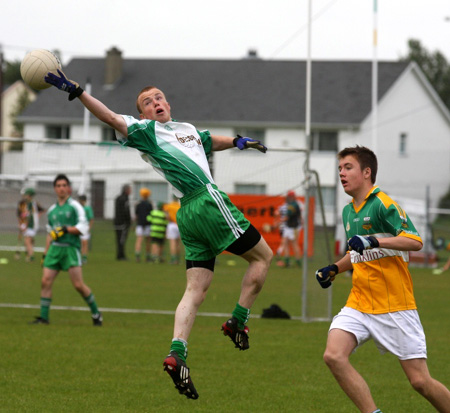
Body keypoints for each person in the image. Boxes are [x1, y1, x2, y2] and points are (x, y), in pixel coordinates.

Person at [44, 70, 273, 400]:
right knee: (264, 256)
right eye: (147, 102)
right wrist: (78, 91)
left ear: (168, 103)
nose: (155, 102)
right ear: (142, 114)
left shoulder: (188, 130)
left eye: (158, 97)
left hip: (188, 215)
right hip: (205, 199)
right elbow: (108, 115)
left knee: (196, 287)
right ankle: (237, 321)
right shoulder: (145, 131)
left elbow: (209, 141)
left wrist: (238, 141)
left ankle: (177, 353)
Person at [315, 146, 450, 413]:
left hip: (395, 306)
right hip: (360, 303)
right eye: (340, 168)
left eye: (348, 167)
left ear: (367, 172)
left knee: (420, 381)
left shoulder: (382, 204)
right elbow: (358, 253)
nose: (341, 173)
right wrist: (334, 268)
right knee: (333, 356)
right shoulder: (348, 211)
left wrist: (374, 239)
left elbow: (415, 241)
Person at [30, 174, 102, 326]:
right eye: (58, 186)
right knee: (45, 281)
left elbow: (83, 228)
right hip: (55, 250)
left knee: (78, 285)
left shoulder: (76, 207)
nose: (61, 188)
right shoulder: (52, 210)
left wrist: (66, 229)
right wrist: (45, 253)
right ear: (55, 189)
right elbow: (51, 234)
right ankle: (44, 318)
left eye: (64, 185)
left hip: (70, 249)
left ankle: (96, 313)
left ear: (68, 188)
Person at [16, 188, 45, 262]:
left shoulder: (29, 204)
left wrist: (24, 225)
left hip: (30, 225)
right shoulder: (34, 203)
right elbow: (42, 210)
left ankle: (31, 256)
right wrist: (37, 216)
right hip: (35, 225)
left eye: (25, 195)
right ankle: (29, 254)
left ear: (28, 195)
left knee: (27, 240)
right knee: (30, 240)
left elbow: (27, 216)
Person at [279, 190, 302, 268]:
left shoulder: (293, 205)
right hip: (290, 227)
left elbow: (287, 217)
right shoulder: (293, 204)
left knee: (294, 244)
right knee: (285, 243)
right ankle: (288, 261)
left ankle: (297, 261)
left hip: (293, 228)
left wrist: (279, 222)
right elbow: (299, 216)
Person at [134, 188, 153, 262]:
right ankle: (147, 256)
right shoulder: (149, 204)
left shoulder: (138, 204)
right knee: (148, 241)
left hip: (140, 224)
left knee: (139, 240)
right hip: (148, 224)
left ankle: (137, 256)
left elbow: (136, 215)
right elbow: (151, 214)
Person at [114, 184, 132, 261]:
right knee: (122, 239)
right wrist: (128, 221)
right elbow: (126, 211)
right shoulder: (125, 199)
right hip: (123, 223)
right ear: (126, 190)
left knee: (119, 239)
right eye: (130, 190)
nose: (131, 191)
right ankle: (121, 255)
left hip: (116, 222)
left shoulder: (117, 198)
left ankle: (119, 255)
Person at [163, 196, 181, 264]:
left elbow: (165, 213)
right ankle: (178, 259)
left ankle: (173, 259)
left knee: (172, 243)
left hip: (171, 224)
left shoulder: (169, 206)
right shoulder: (179, 206)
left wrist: (168, 218)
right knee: (178, 243)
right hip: (178, 225)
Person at [78, 194, 94, 264]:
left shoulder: (87, 208)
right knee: (78, 243)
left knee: (84, 242)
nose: (81, 202)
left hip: (85, 227)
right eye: (80, 200)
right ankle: (78, 257)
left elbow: (91, 219)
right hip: (78, 226)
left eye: (82, 201)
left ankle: (84, 257)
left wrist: (89, 228)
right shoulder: (77, 208)